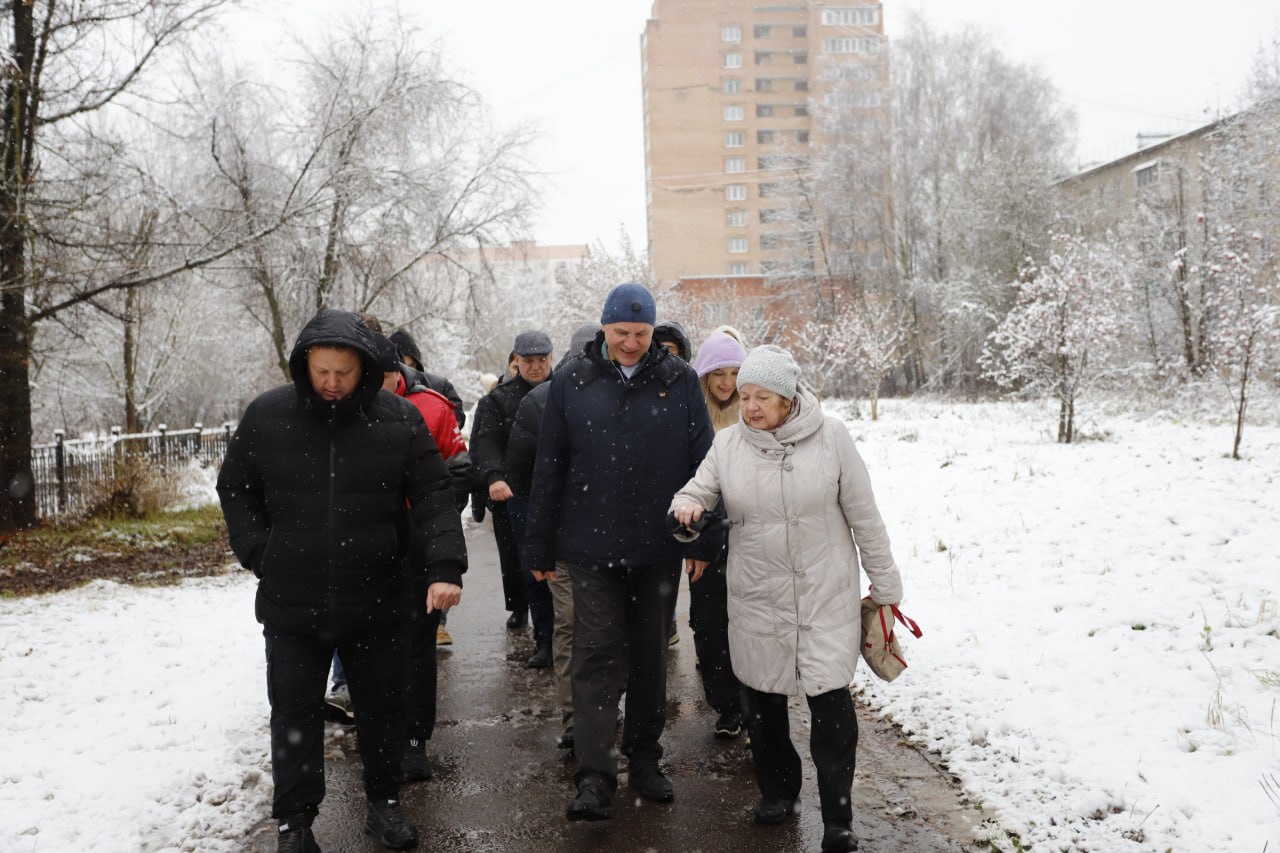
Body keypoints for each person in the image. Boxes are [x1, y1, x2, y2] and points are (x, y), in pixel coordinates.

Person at [217, 308, 466, 852]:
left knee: (382, 709)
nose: (331, 383)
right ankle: (295, 824)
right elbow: (234, 487)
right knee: (294, 715)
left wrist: (445, 565)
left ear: (366, 368)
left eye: (343, 373)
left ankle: (384, 803)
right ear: (304, 365)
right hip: (292, 603)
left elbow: (433, 494)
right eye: (321, 371)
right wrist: (262, 551)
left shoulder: (398, 419)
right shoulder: (267, 416)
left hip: (377, 597)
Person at [669, 344, 903, 853]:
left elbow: (866, 516)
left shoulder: (833, 438)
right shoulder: (729, 445)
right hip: (758, 594)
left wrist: (886, 587)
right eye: (745, 396)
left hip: (824, 593)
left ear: (789, 397)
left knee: (831, 705)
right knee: (764, 703)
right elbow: (696, 489)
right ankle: (779, 793)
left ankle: (838, 817)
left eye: (762, 396)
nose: (749, 406)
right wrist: (685, 505)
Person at [525, 284, 716, 822]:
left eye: (641, 333)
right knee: (595, 656)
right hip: (588, 548)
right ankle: (594, 774)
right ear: (603, 329)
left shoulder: (679, 381)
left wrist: (703, 538)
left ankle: (646, 757)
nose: (631, 344)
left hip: (658, 546)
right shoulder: (572, 382)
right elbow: (549, 469)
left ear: (653, 331)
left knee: (651, 655)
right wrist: (538, 544)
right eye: (620, 333)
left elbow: (705, 465)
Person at [505, 322, 599, 745]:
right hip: (568, 542)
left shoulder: (630, 399)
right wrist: (539, 546)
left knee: (597, 629)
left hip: (612, 540)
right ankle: (577, 718)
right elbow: (527, 483)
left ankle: (593, 711)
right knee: (572, 626)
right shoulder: (541, 403)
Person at [682, 328, 751, 739]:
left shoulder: (754, 412)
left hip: (751, 537)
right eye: (718, 373)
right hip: (706, 538)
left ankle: (752, 705)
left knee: (748, 626)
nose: (726, 383)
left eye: (734, 373)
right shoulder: (691, 414)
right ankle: (725, 704)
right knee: (708, 626)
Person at [471, 330, 554, 638]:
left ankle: (559, 633)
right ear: (516, 360)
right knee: (525, 563)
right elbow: (486, 442)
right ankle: (541, 632)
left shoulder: (566, 391)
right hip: (516, 494)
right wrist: (494, 477)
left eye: (541, 360)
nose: (535, 366)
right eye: (528, 360)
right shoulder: (499, 399)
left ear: (551, 358)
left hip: (560, 494)